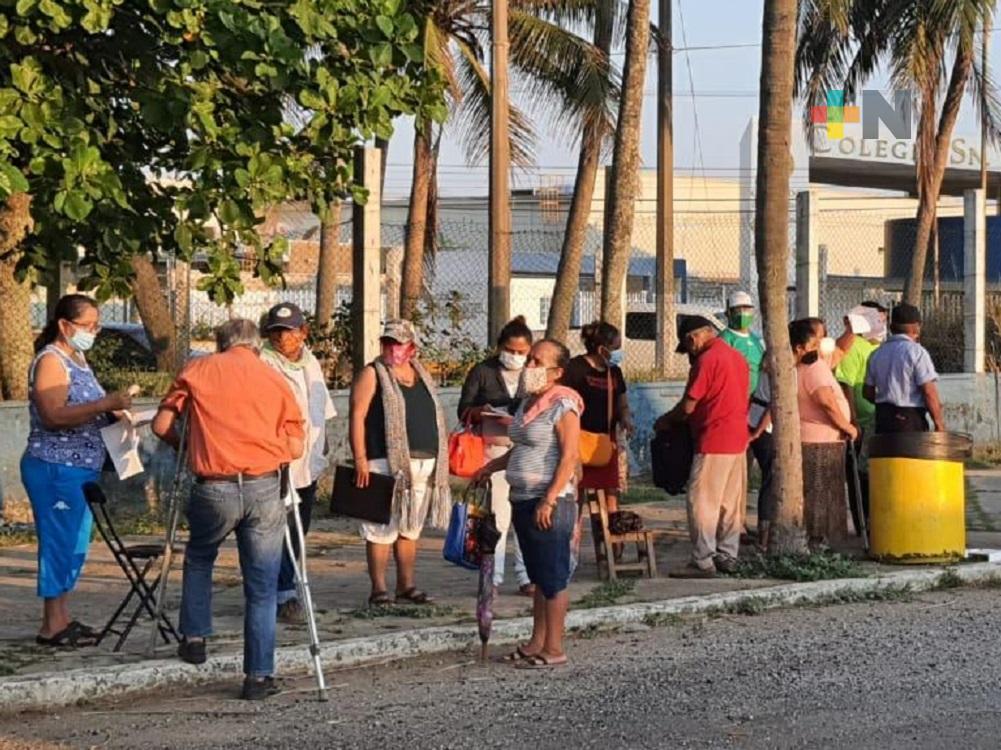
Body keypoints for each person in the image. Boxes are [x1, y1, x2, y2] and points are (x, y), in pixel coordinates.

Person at [152, 319, 305, 701]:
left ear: (221, 345)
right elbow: (296, 447)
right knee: (262, 585)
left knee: (201, 556)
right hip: (264, 486)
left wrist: (184, 448)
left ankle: (194, 638)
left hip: (214, 487)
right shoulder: (276, 379)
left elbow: (160, 425)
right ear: (255, 347)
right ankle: (258, 677)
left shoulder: (197, 369)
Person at [21, 295, 133, 648]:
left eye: (96, 326)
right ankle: (51, 625)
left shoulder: (78, 358)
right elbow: (53, 414)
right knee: (59, 542)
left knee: (75, 543)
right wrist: (105, 404)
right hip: (56, 466)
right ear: (65, 326)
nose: (93, 332)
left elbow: (85, 406)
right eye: (88, 326)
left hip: (81, 469)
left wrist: (116, 415)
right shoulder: (51, 362)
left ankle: (63, 616)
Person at [474, 339, 581, 669]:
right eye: (530, 359)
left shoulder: (563, 405)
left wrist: (549, 499)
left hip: (548, 500)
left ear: (557, 372)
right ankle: (537, 640)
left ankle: (554, 646)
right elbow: (522, 448)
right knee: (536, 575)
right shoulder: (528, 403)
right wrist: (491, 467)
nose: (529, 366)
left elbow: (569, 457)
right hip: (522, 497)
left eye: (537, 361)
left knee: (553, 576)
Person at [349, 320, 451, 607]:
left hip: (422, 462)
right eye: (388, 342)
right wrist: (360, 459)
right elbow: (357, 415)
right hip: (385, 461)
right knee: (381, 528)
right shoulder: (373, 373)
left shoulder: (421, 373)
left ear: (412, 347)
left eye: (399, 343)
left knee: (410, 527)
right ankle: (379, 588)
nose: (392, 348)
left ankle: (406, 584)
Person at [259, 302, 337, 624]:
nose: (282, 338)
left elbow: (322, 410)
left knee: (300, 528)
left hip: (309, 461)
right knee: (279, 530)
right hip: (277, 461)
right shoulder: (263, 363)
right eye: (276, 332)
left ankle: (286, 587)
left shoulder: (311, 363)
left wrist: (325, 447)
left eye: (288, 331)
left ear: (303, 332)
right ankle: (281, 594)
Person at [657, 316, 749, 578]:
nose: (689, 354)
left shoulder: (707, 360)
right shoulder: (737, 357)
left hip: (713, 437)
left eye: (687, 348)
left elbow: (689, 405)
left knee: (702, 501)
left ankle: (702, 560)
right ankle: (728, 554)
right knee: (730, 503)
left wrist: (666, 421)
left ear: (693, 338)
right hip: (737, 437)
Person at [457, 316, 533, 596]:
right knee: (499, 516)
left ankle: (527, 577)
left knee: (526, 514)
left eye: (521, 352)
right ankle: (494, 578)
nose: (515, 357)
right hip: (495, 447)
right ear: (500, 347)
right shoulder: (483, 371)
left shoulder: (531, 373)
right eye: (510, 350)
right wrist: (482, 411)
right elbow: (464, 408)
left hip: (525, 449)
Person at [790, 318, 858, 549]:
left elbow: (839, 352)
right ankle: (819, 540)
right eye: (815, 342)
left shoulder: (811, 365)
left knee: (825, 490)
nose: (820, 346)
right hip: (820, 440)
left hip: (823, 438)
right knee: (821, 491)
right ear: (800, 347)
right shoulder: (812, 368)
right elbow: (827, 403)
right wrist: (847, 427)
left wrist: (852, 331)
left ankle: (827, 539)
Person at [562, 321, 633, 525]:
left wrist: (626, 418)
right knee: (576, 493)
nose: (618, 354)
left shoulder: (615, 372)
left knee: (611, 493)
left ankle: (611, 544)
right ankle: (571, 539)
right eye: (615, 349)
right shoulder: (575, 369)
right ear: (602, 349)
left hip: (605, 442)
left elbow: (622, 403)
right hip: (578, 440)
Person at [864, 303, 945, 434]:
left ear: (891, 327)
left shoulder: (876, 354)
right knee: (909, 454)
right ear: (917, 328)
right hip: (910, 419)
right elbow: (929, 392)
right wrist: (939, 424)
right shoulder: (917, 352)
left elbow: (867, 392)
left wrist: (887, 402)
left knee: (887, 454)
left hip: (883, 418)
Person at [834, 307, 878, 532]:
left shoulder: (873, 348)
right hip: (859, 422)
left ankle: (871, 521)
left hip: (872, 420)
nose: (881, 324)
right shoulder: (853, 348)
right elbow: (846, 384)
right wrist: (853, 420)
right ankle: (862, 524)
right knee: (859, 476)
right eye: (879, 318)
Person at [747, 362, 775, 552]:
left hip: (754, 418)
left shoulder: (768, 363)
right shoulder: (784, 366)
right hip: (764, 425)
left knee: (768, 479)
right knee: (770, 481)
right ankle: (764, 538)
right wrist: (758, 432)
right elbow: (774, 404)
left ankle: (764, 534)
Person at [720, 291, 766, 394]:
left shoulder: (755, 339)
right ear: (728, 313)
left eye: (746, 309)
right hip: (735, 395)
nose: (742, 313)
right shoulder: (725, 339)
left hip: (755, 397)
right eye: (737, 310)